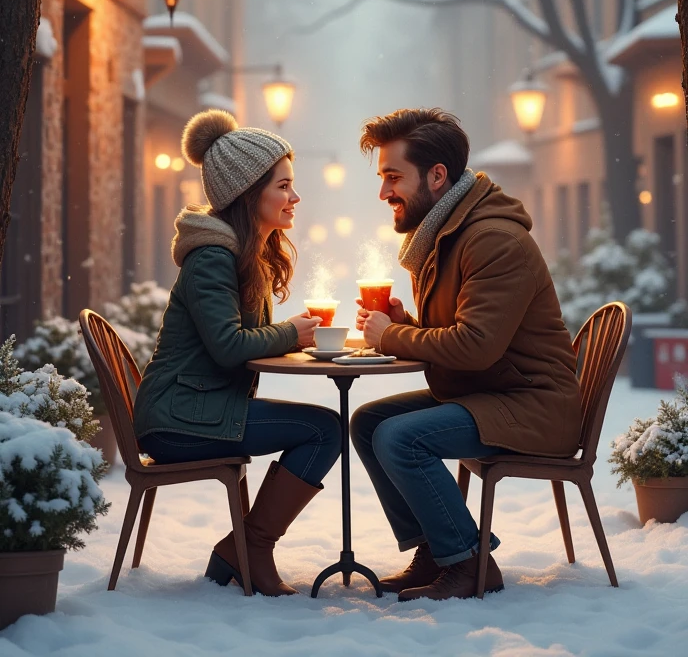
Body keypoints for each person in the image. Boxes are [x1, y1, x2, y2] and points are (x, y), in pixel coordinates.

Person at [350, 108, 582, 602]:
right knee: (370, 423)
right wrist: (406, 323)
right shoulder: (445, 234)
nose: (384, 192)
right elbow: (460, 335)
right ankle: (436, 551)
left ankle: (471, 564)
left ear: (437, 176)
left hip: (534, 404)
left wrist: (390, 335)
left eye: (394, 177)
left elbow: (474, 347)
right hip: (491, 390)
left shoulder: (492, 239)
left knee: (400, 438)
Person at [133, 110, 341, 597]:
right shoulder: (213, 258)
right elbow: (229, 347)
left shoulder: (241, 253)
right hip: (177, 420)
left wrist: (291, 335)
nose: (295, 198)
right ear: (250, 194)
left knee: (322, 427)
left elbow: (242, 341)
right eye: (284, 186)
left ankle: (244, 547)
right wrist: (290, 333)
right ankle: (250, 548)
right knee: (322, 429)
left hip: (201, 407)